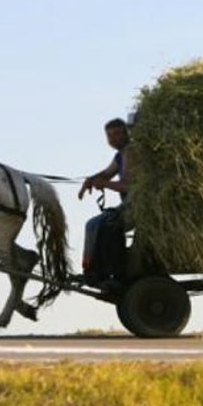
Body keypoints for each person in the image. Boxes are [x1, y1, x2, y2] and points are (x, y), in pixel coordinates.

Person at [77, 118, 135, 286]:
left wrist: (104, 184)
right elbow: (106, 173)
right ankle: (92, 271)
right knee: (93, 224)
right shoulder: (120, 156)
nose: (113, 139)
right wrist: (92, 179)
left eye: (117, 134)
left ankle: (118, 275)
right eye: (109, 136)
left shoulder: (132, 152)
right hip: (127, 206)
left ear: (126, 133)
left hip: (137, 207)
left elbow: (129, 186)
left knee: (110, 226)